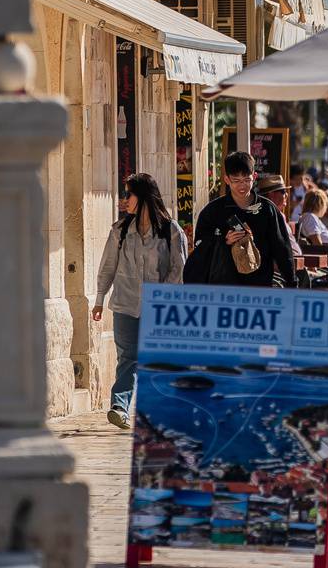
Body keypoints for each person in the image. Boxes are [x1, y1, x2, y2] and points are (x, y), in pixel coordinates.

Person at [91, 173, 187, 430]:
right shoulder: (119, 230)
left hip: (159, 308)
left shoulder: (171, 231)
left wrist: (161, 296)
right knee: (128, 357)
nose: (125, 200)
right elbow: (107, 267)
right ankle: (120, 407)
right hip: (125, 304)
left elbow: (178, 269)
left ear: (143, 196)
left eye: (129, 194)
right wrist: (99, 299)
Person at [187, 151, 296, 287]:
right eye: (236, 181)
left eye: (246, 180)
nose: (242, 185)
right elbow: (200, 246)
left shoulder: (267, 209)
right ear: (226, 179)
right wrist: (224, 241)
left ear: (254, 177)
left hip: (259, 285)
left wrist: (292, 283)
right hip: (222, 286)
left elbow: (282, 248)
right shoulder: (213, 211)